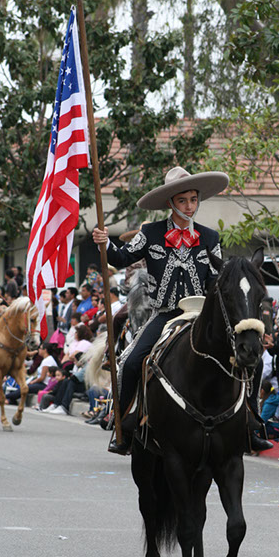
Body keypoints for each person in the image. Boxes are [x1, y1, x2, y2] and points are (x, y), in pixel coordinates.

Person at [92, 165, 229, 454]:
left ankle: (250, 424)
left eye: (193, 199)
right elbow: (121, 258)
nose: (189, 206)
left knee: (241, 355)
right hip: (165, 314)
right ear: (170, 203)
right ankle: (124, 429)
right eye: (183, 200)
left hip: (201, 316)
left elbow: (217, 279)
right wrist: (105, 244)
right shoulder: (150, 232)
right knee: (129, 364)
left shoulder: (210, 237)